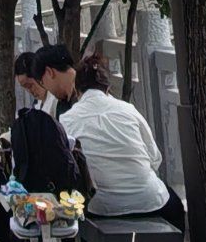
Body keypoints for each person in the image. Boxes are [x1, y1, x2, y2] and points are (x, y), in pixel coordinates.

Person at [0, 50, 86, 242]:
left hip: (57, 173)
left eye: (31, 85)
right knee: (8, 162)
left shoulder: (63, 104)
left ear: (45, 75)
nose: (32, 91)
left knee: (9, 158)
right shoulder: (47, 102)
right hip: (50, 166)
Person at [60, 52, 183, 225]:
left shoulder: (67, 119)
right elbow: (155, 158)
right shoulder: (128, 110)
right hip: (150, 200)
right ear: (107, 88)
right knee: (175, 205)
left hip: (102, 207)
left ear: (77, 90)